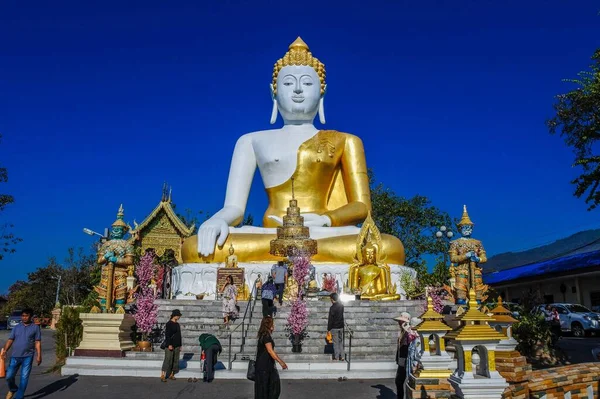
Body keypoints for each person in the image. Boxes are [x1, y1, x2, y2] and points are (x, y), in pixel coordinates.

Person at [1, 308, 41, 399]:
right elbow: (10, 340)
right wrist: (5, 350)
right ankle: (13, 388)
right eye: (23, 316)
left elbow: (37, 342)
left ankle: (19, 397)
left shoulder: (35, 328)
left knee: (24, 378)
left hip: (28, 356)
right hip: (15, 356)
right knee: (9, 376)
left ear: (30, 317)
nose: (24, 317)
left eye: (26, 316)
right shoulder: (16, 327)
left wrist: (39, 356)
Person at [255, 317, 287, 399]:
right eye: (272, 323)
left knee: (266, 389)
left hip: (264, 366)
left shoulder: (264, 335)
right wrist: (281, 362)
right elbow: (270, 351)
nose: (274, 325)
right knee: (268, 389)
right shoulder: (266, 336)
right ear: (269, 325)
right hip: (264, 367)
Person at [394, 311, 418, 399]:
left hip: (408, 360)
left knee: (406, 381)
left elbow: (413, 340)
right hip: (402, 360)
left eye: (401, 321)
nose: (399, 323)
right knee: (399, 381)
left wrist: (407, 330)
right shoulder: (402, 331)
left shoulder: (410, 331)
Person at [161, 309, 182, 382]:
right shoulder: (169, 324)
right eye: (178, 316)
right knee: (168, 359)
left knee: (175, 360)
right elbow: (167, 335)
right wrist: (169, 344)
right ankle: (163, 374)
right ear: (174, 315)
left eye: (179, 316)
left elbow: (179, 335)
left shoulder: (177, 324)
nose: (179, 317)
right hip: (170, 344)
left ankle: (171, 374)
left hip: (177, 344)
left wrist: (180, 345)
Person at [327, 293, 345, 361]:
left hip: (334, 327)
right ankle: (342, 356)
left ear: (332, 299)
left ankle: (337, 357)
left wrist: (328, 329)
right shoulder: (341, 306)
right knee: (340, 342)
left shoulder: (332, 308)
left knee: (335, 343)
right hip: (341, 327)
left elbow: (330, 319)